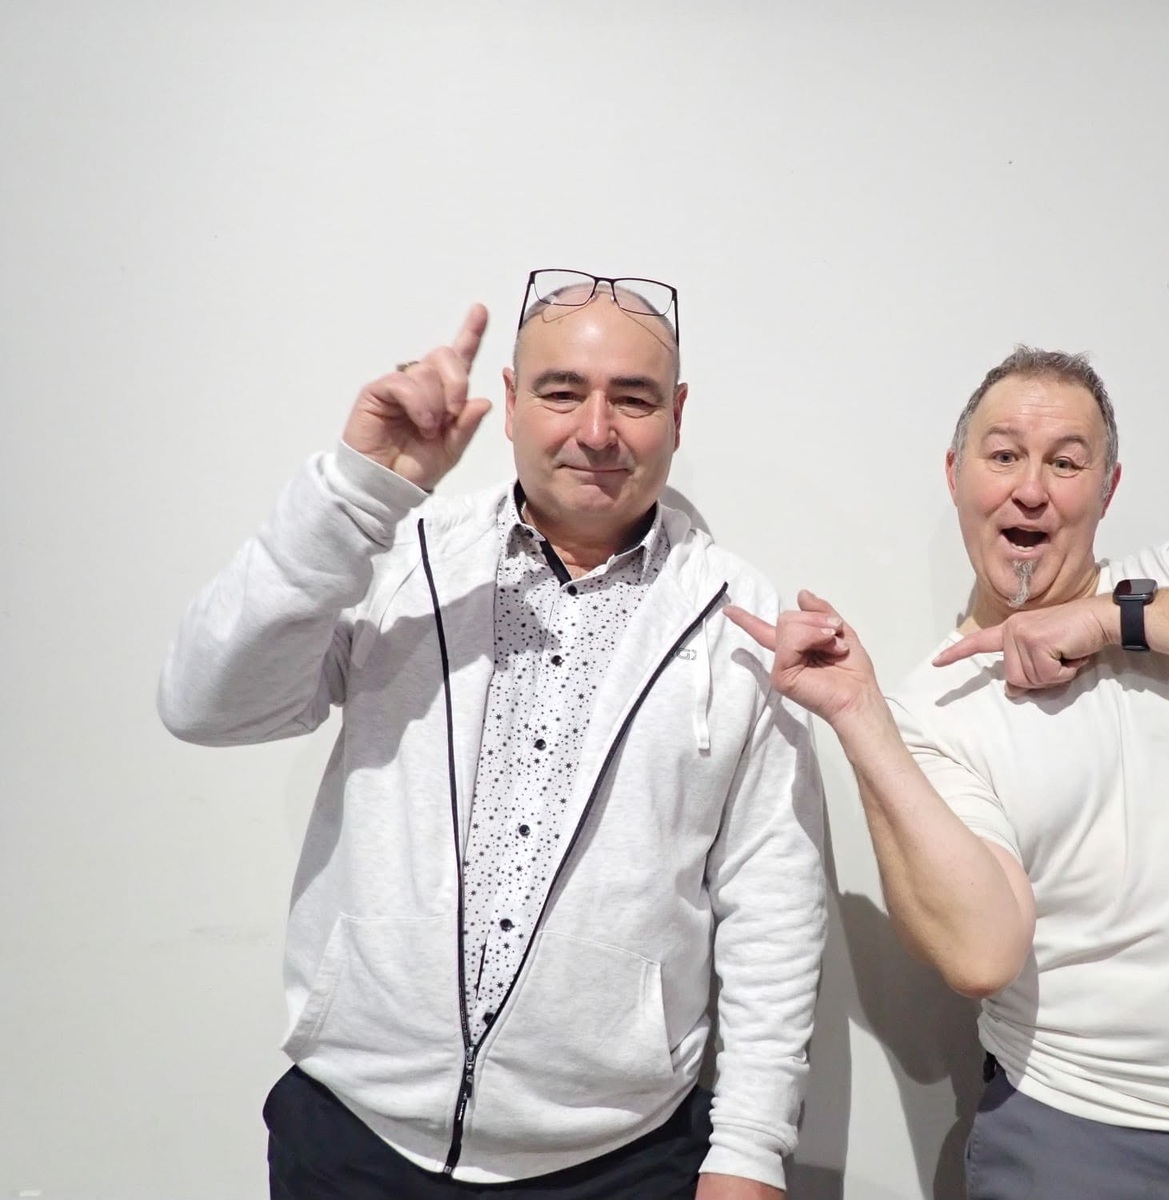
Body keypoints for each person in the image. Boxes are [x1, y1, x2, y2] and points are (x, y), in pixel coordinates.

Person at [159, 271, 826, 1200]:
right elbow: (208, 704)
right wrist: (354, 495)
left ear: (677, 415)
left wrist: (750, 1150)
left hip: (618, 1163)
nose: (597, 430)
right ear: (510, 402)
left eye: (633, 399)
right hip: (354, 1140)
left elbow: (773, 901)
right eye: (562, 391)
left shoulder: (739, 615)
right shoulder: (398, 553)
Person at [726, 346, 1169, 1200]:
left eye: (1065, 462)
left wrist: (1109, 621)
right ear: (955, 475)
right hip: (1089, 1144)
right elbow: (981, 952)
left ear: (1106, 489)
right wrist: (860, 715)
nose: (1031, 489)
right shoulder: (937, 710)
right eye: (1003, 455)